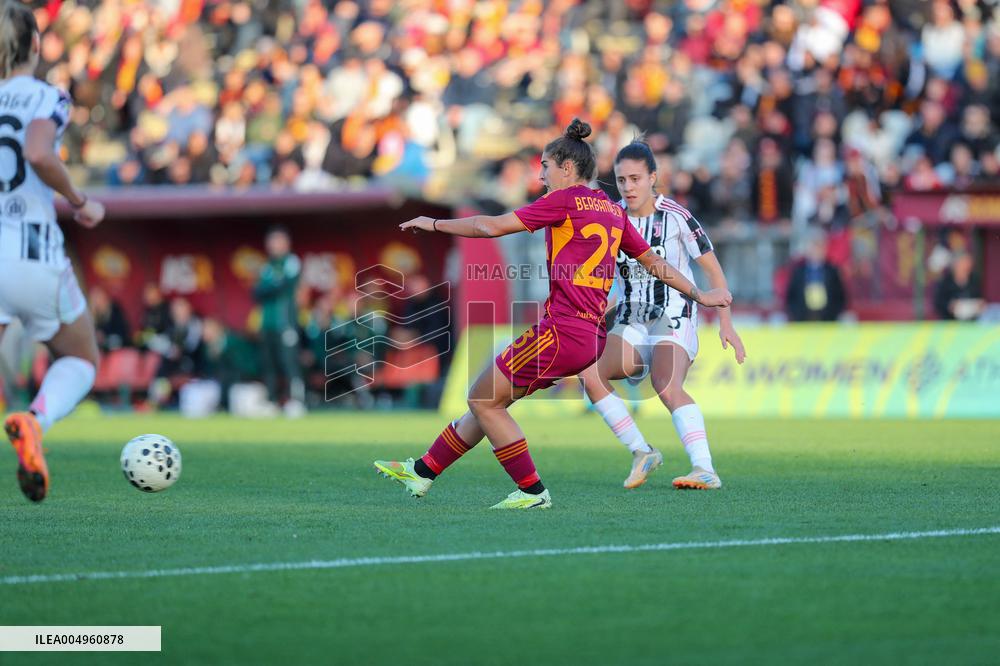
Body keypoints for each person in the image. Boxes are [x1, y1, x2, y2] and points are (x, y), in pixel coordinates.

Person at [374, 119, 732, 509]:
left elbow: (490, 226)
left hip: (562, 331)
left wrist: (434, 222)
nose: (540, 173)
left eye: (545, 165)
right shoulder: (613, 214)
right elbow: (654, 262)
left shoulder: (565, 200)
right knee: (492, 402)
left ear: (566, 167)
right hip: (591, 337)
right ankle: (423, 472)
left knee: (482, 399)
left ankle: (532, 492)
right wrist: (698, 293)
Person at [578, 138, 746, 491]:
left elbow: (714, 273)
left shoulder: (677, 217)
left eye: (636, 178)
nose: (628, 187)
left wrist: (726, 322)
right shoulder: (612, 217)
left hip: (673, 315)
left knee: (666, 385)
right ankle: (642, 451)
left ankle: (704, 468)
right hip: (631, 319)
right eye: (622, 180)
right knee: (590, 373)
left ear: (653, 177)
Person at [0, 1, 106, 502]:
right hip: (34, 251)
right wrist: (80, 201)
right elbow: (38, 152)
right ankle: (35, 420)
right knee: (82, 358)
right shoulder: (47, 95)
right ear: (37, 46)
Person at [253, 225, 306, 414]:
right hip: (267, 323)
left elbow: (282, 286)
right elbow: (257, 292)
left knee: (289, 361)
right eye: (271, 241)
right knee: (269, 363)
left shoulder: (291, 262)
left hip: (286, 322)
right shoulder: (268, 266)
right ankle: (272, 401)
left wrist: (270, 286)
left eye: (277, 241)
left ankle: (297, 401)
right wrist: (270, 286)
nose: (274, 245)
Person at [785, 231, 847, 322]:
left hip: (828, 320)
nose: (816, 251)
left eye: (819, 247)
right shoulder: (799, 271)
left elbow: (840, 296)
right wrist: (797, 314)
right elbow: (791, 296)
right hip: (803, 319)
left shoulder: (832, 270)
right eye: (813, 247)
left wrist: (834, 314)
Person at [933, 252, 984, 321]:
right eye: (964, 264)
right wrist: (950, 306)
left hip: (971, 322)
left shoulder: (974, 280)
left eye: (968, 264)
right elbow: (938, 303)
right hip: (950, 322)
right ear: (956, 265)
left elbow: (980, 298)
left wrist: (979, 304)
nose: (967, 267)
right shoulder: (945, 282)